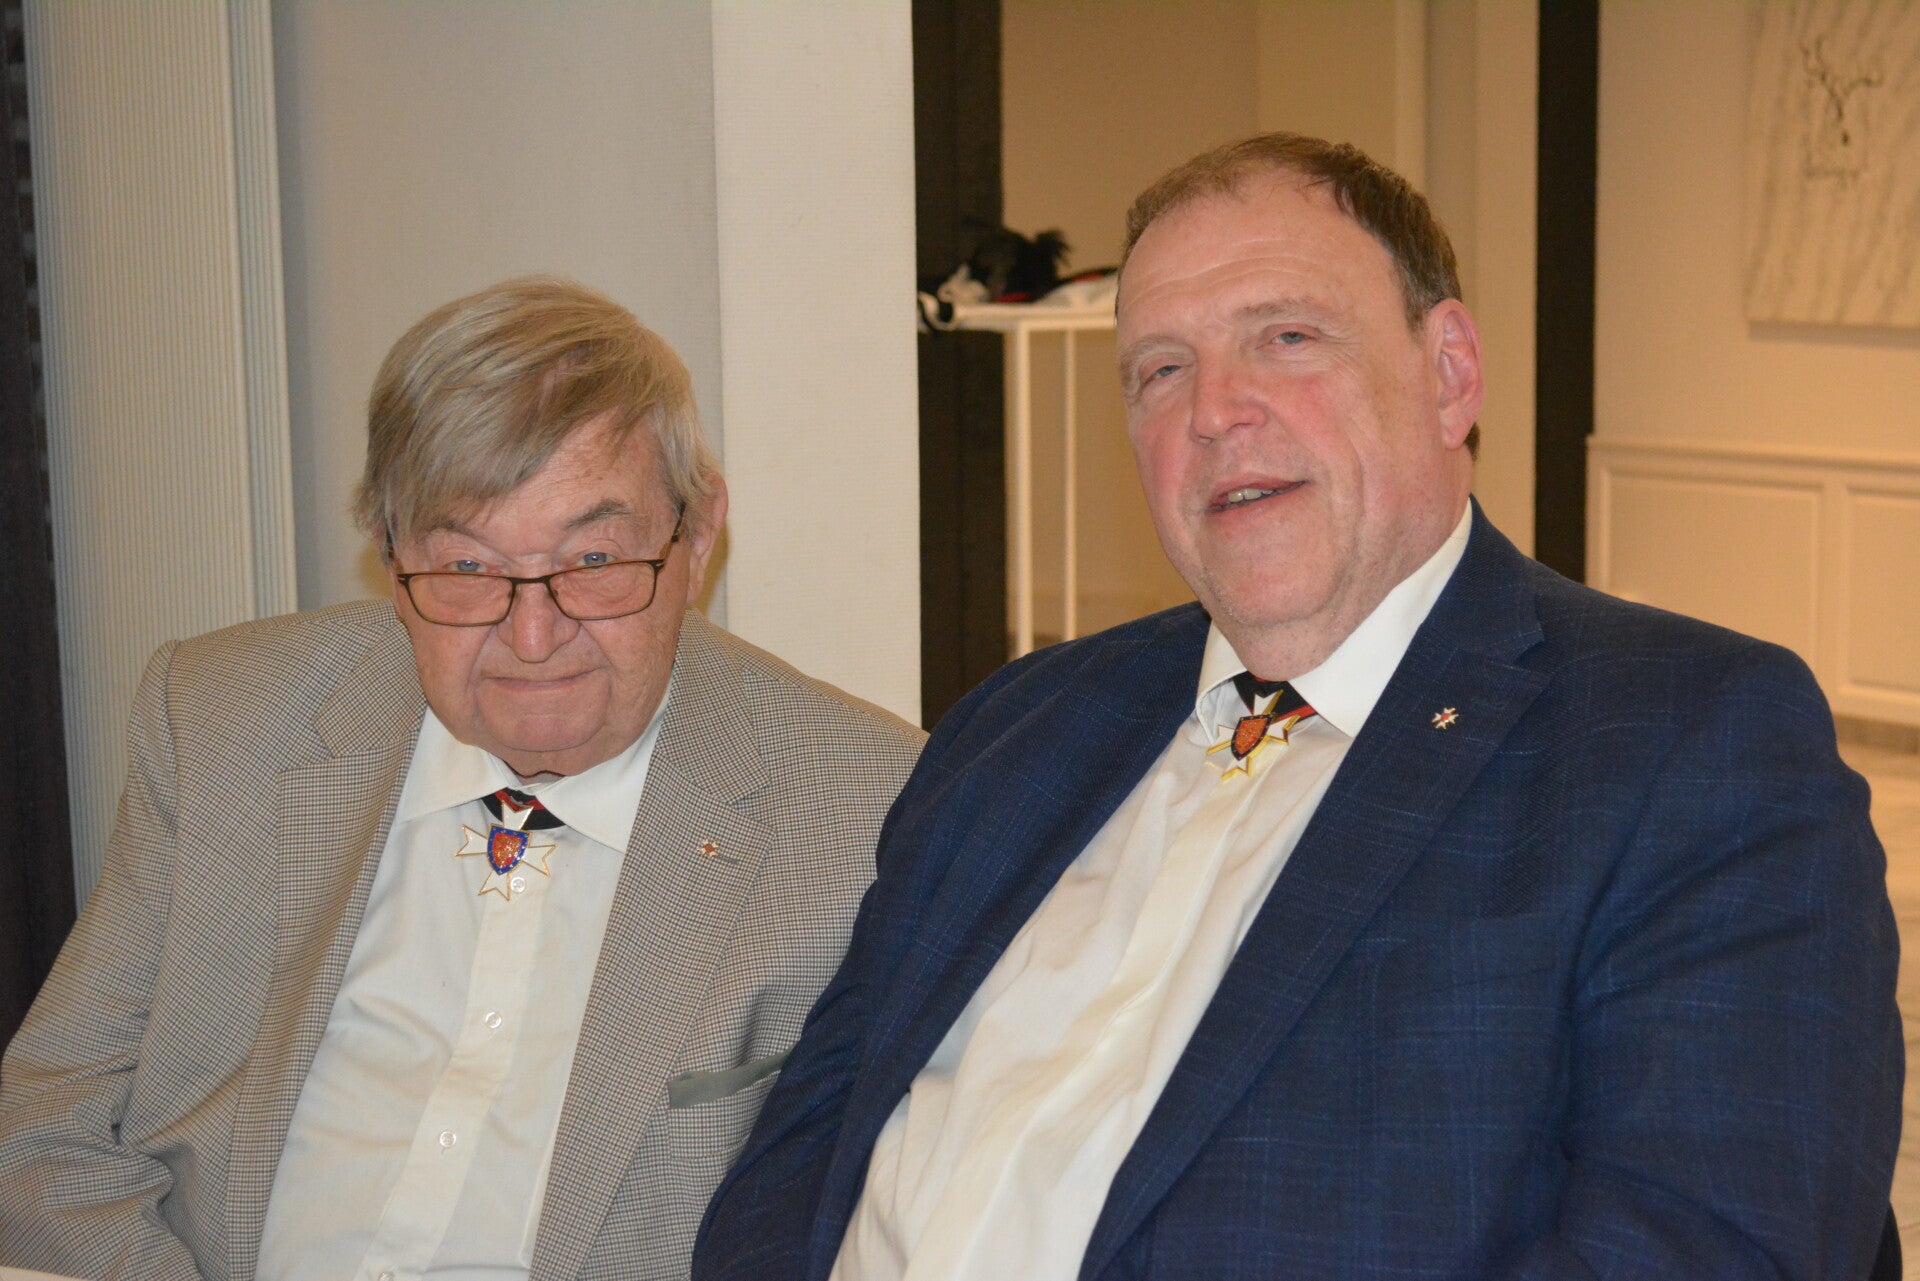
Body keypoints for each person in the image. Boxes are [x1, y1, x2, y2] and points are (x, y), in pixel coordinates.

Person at [694, 135, 1902, 1279]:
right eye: (1161, 370)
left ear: (1450, 374)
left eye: (1285, 337)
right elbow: (800, 1157)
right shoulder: (1019, 726)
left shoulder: (1684, 743)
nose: (1213, 410)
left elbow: (1706, 1245)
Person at [0, 277, 925, 1281]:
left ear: (696, 538)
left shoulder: (869, 809)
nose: (533, 637)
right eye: (468, 570)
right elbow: (46, 1127)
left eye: (594, 559)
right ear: (390, 557)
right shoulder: (226, 719)